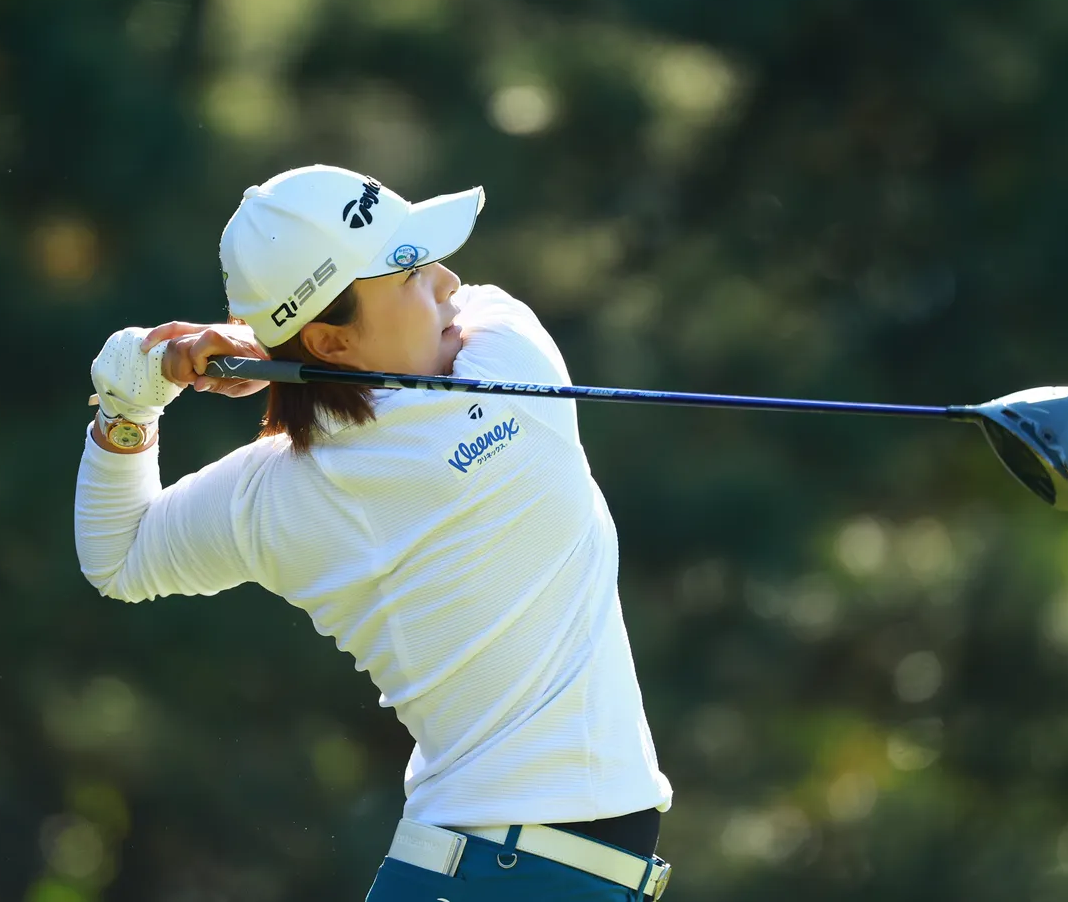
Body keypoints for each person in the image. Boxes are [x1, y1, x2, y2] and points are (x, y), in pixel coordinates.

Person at [74, 164, 674, 900]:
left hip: (481, 871)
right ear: (330, 341)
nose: (448, 281)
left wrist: (134, 395)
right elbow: (481, 305)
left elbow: (117, 555)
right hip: (499, 875)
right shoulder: (516, 362)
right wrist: (264, 346)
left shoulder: (275, 493)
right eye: (412, 271)